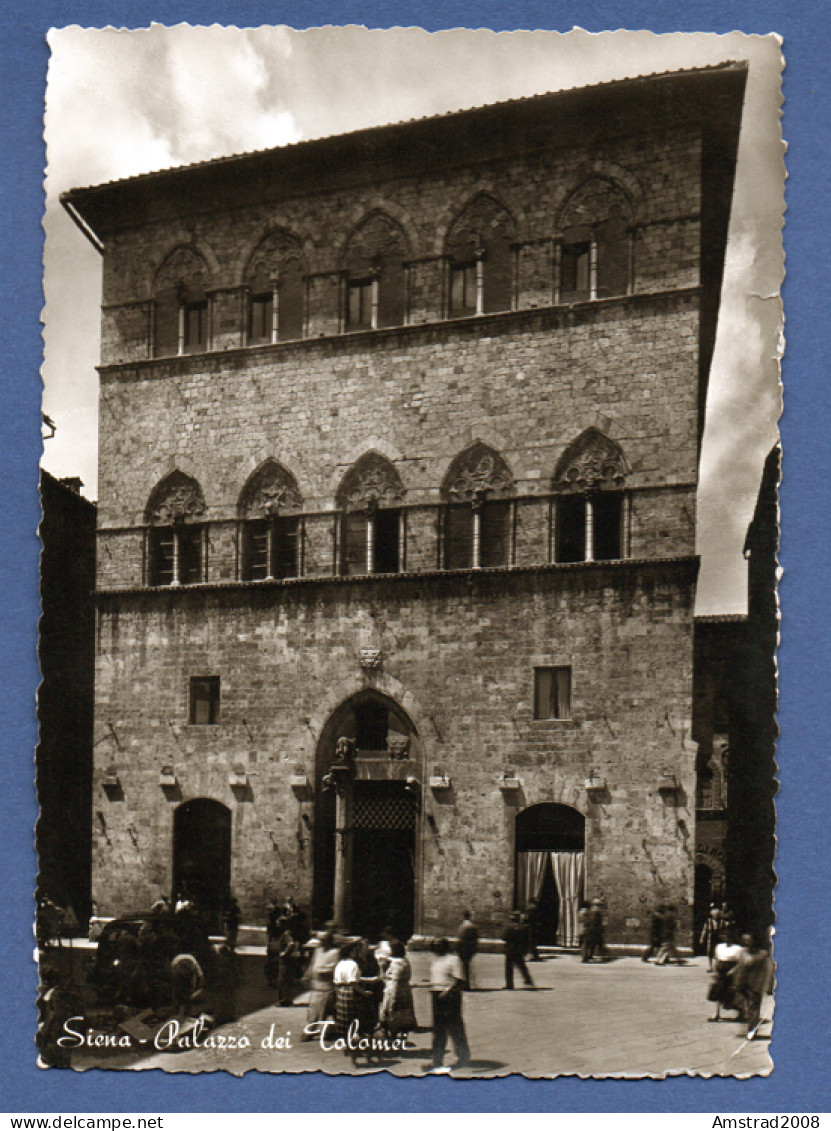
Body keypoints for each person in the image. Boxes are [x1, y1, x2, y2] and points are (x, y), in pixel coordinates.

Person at [427, 937, 470, 1072]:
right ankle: (437, 1059)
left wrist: (447, 992)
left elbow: (460, 981)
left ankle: (463, 1056)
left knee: (455, 1027)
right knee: (438, 1029)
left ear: (445, 947)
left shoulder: (454, 959)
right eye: (434, 946)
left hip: (450, 997)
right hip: (436, 995)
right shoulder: (436, 960)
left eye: (439, 946)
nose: (436, 949)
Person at [333, 941, 375, 1063]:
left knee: (344, 1021)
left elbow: (337, 981)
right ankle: (355, 1047)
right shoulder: (353, 965)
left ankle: (347, 1045)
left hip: (340, 991)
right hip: (351, 993)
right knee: (354, 1020)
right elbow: (353, 983)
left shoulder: (340, 964)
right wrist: (364, 993)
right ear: (351, 952)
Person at [731, 933, 774, 1038]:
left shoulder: (762, 955)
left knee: (754, 1008)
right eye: (744, 940)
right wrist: (732, 974)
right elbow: (739, 966)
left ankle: (752, 1031)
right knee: (746, 1007)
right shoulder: (742, 952)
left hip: (756, 985)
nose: (746, 942)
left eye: (748, 940)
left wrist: (769, 986)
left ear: (754, 941)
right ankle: (751, 1028)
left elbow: (769, 970)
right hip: (742, 984)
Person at [303, 923, 340, 1038]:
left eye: (324, 940)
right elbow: (312, 964)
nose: (322, 943)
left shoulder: (335, 952)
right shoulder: (318, 950)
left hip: (327, 987)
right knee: (316, 1010)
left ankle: (312, 1030)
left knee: (325, 1010)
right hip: (316, 987)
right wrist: (307, 975)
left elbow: (334, 968)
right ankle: (315, 1028)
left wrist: (323, 971)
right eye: (321, 940)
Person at [380, 939, 417, 1040]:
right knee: (404, 1015)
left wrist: (393, 999)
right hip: (405, 991)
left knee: (394, 1016)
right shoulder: (404, 961)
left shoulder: (397, 964)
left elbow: (395, 981)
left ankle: (393, 1040)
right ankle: (402, 1040)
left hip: (395, 991)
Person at [706, 929, 743, 1022]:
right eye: (725, 936)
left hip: (732, 970)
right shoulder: (719, 946)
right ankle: (716, 1013)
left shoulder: (738, 948)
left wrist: (733, 971)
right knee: (718, 990)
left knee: (732, 992)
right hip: (721, 970)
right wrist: (715, 970)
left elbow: (740, 962)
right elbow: (716, 959)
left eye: (728, 937)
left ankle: (741, 1013)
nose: (726, 939)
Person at [503, 911, 535, 989]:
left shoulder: (508, 927)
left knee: (509, 968)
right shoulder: (522, 927)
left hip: (510, 949)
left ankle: (509, 984)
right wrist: (525, 950)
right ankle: (528, 979)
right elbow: (526, 940)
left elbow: (503, 937)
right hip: (519, 949)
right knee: (522, 965)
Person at [169, 952, 204, 1018]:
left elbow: (200, 978)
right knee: (177, 995)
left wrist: (197, 990)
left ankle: (188, 1014)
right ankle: (175, 1013)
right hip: (178, 974)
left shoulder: (195, 968)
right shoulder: (175, 967)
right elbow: (175, 983)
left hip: (192, 973)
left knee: (190, 995)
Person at [456, 911, 480, 990]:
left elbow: (460, 939)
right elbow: (476, 938)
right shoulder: (472, 926)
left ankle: (464, 984)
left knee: (463, 967)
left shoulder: (462, 926)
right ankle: (466, 984)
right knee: (466, 967)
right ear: (470, 916)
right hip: (469, 949)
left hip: (462, 949)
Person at [700, 903, 721, 970]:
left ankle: (716, 966)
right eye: (714, 914)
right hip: (710, 937)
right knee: (709, 952)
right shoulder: (708, 921)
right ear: (712, 914)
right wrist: (702, 938)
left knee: (717, 952)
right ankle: (710, 966)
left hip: (717, 937)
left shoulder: (720, 921)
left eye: (717, 914)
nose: (715, 915)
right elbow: (704, 929)